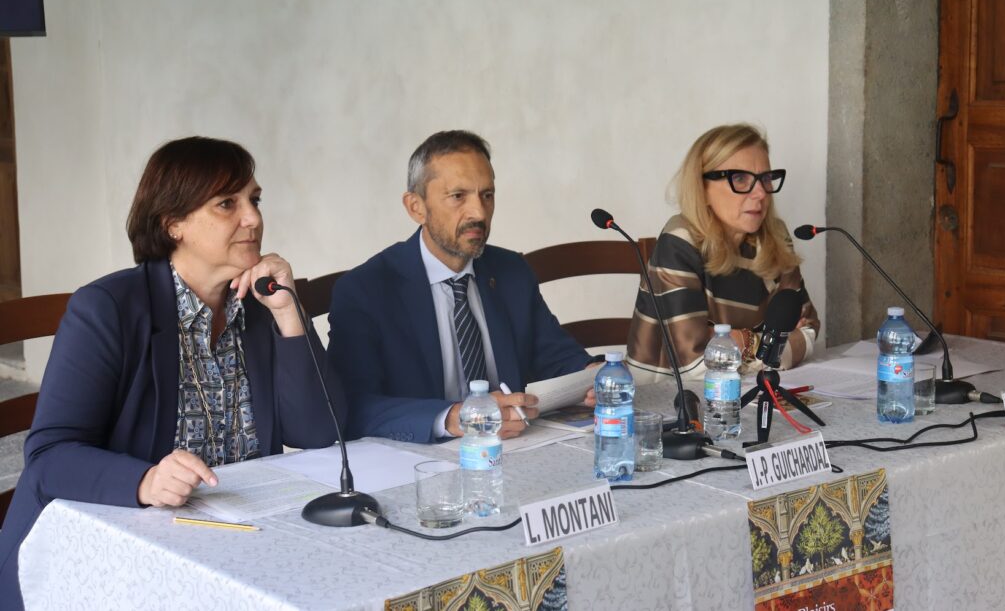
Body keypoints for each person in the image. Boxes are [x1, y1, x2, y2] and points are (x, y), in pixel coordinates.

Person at [0, 137, 342, 608]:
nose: (254, 218)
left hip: (231, 547)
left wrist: (288, 312)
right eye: (228, 203)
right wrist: (145, 481)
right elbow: (49, 454)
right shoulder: (107, 309)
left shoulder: (259, 305)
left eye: (254, 200)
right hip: (109, 553)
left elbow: (319, 432)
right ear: (173, 223)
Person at [328, 130, 593, 444]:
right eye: (458, 196)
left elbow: (556, 356)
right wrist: (454, 417)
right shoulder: (366, 290)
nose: (478, 213)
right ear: (416, 207)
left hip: (512, 451)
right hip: (419, 462)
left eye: (487, 195)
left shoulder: (511, 271)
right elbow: (352, 406)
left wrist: (593, 376)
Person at [627, 123, 819, 379]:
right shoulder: (680, 242)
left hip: (749, 394)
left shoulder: (774, 237)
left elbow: (809, 330)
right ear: (702, 187)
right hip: (671, 403)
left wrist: (740, 341)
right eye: (740, 178)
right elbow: (696, 365)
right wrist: (765, 344)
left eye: (765, 178)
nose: (761, 193)